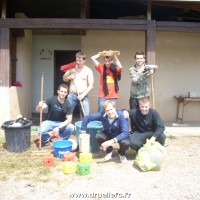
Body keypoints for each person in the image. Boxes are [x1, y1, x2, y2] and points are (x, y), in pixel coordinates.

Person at [129, 50, 158, 131]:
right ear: (135, 59)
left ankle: (145, 131)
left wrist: (152, 70)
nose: (139, 60)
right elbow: (135, 80)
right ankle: (134, 132)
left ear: (144, 59)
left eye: (141, 58)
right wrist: (145, 74)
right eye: (137, 58)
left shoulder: (147, 67)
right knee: (133, 115)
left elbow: (156, 67)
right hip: (134, 96)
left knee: (145, 114)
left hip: (144, 95)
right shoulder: (132, 69)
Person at [63, 52, 94, 116]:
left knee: (86, 115)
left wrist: (83, 95)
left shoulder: (88, 70)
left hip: (83, 96)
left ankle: (83, 126)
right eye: (77, 60)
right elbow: (64, 78)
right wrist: (69, 77)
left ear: (84, 60)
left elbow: (91, 85)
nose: (78, 62)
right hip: (72, 95)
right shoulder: (72, 68)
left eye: (80, 60)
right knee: (67, 114)